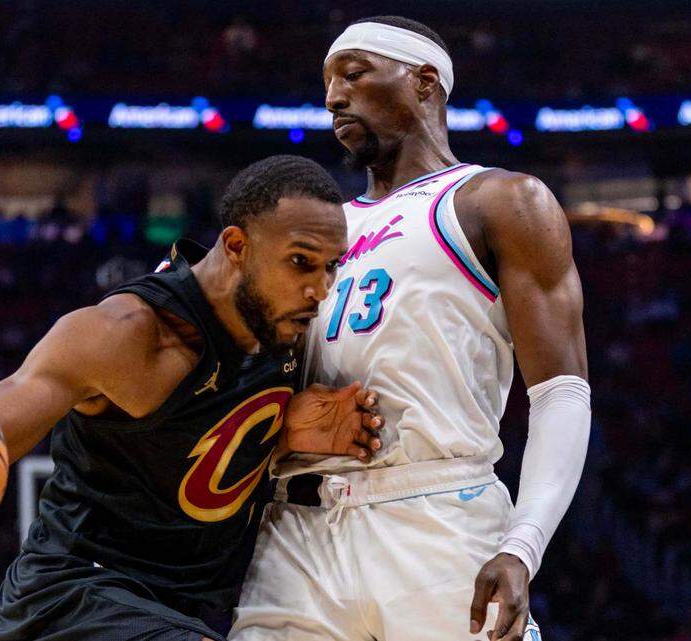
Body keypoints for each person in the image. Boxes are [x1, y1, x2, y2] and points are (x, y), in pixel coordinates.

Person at [0, 155, 385, 641]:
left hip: (188, 611)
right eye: (301, 263)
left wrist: (281, 436)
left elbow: (198, 441)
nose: (320, 288)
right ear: (236, 245)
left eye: (331, 267)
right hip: (75, 599)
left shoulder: (285, 326)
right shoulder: (126, 334)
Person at [231, 17, 590, 641]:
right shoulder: (315, 230)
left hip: (436, 517)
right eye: (326, 83)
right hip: (295, 534)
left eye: (354, 74)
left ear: (424, 83)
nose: (333, 97)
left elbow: (562, 394)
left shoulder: (496, 201)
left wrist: (523, 546)